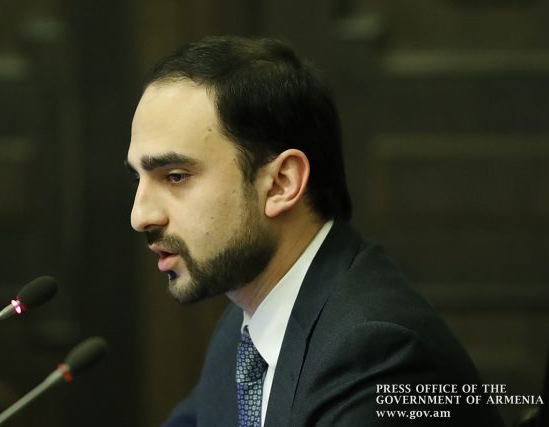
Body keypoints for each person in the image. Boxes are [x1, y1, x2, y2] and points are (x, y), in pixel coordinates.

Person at [125, 36, 504, 427]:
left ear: (281, 184)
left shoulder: (375, 353)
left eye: (175, 176)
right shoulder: (244, 325)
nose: (140, 216)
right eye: (138, 178)